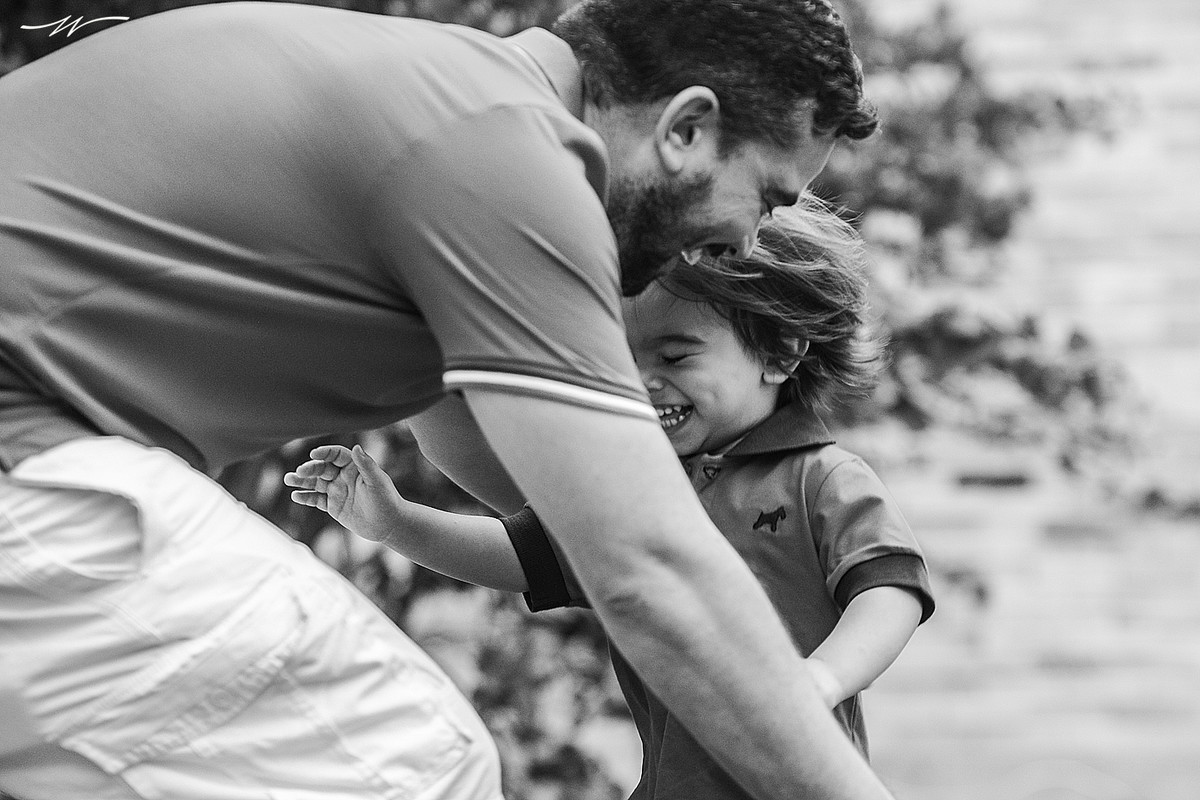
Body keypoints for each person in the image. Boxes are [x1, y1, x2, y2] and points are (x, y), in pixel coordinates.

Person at [0, 1, 891, 798]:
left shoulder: (446, 99)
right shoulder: (507, 152)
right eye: (768, 197)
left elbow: (519, 477)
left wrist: (648, 530)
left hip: (38, 480)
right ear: (686, 128)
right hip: (26, 453)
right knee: (413, 764)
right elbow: (647, 568)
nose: (746, 242)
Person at [289, 205, 936, 799]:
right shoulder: (638, 487)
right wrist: (397, 523)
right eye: (623, 359)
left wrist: (824, 677)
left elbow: (889, 592)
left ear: (780, 352)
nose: (647, 381)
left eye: (677, 354)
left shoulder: (820, 477)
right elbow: (523, 556)